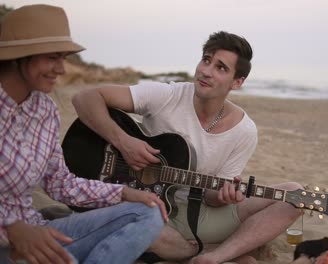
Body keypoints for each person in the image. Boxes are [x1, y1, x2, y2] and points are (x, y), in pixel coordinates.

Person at [72, 31, 303, 264]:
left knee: (295, 194)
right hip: (142, 205)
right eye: (206, 59)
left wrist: (223, 196)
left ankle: (215, 256)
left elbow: (211, 198)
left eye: (220, 68)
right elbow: (85, 98)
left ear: (237, 82)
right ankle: (191, 251)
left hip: (196, 211)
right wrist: (124, 142)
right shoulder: (168, 95)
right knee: (141, 225)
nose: (206, 71)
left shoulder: (244, 130)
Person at [0, 4, 168, 264]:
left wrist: (123, 193)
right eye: (52, 57)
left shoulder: (44, 110)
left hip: (40, 234)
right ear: (20, 56)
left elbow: (60, 183)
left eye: (63, 57)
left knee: (148, 212)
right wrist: (12, 227)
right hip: (8, 242)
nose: (61, 69)